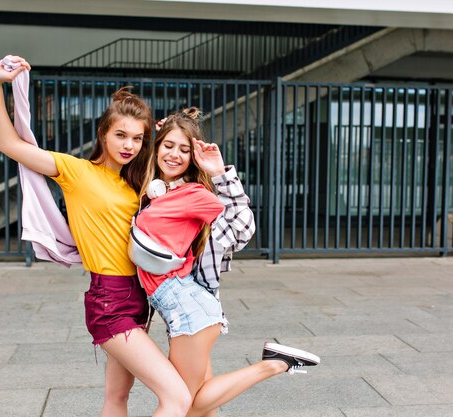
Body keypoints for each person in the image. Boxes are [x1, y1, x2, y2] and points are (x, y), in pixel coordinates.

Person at [0, 55, 191, 417]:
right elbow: (8, 143)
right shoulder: (77, 172)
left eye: (137, 138)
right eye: (121, 135)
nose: (129, 145)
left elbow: (177, 181)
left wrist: (168, 135)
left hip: (141, 297)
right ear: (103, 133)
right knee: (177, 397)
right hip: (109, 301)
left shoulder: (138, 182)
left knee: (117, 399)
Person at [133, 108, 320, 417]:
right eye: (168, 145)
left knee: (187, 403)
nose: (174, 155)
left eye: (184, 149)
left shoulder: (192, 194)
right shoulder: (154, 192)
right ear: (156, 147)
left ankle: (273, 364)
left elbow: (242, 226)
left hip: (189, 310)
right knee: (203, 409)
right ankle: (275, 363)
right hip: (183, 309)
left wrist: (220, 174)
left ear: (193, 157)